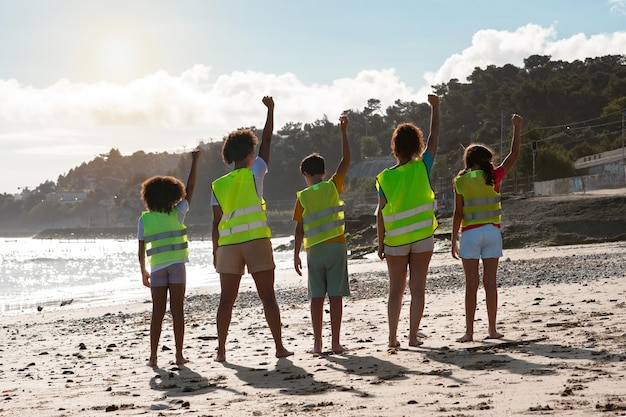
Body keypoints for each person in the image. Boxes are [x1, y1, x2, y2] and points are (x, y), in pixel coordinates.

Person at [211, 96, 293, 362]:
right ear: (249, 154)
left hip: (228, 246)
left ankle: (222, 350)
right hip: (256, 240)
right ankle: (279, 347)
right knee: (268, 297)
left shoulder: (218, 185)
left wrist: (215, 252)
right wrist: (270, 111)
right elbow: (267, 141)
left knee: (226, 301)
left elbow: (215, 222)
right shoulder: (255, 171)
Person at [451, 113, 523, 342]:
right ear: (486, 160)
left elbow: (457, 213)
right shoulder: (493, 176)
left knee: (471, 285)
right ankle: (492, 330)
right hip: (492, 232)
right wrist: (517, 128)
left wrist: (453, 239)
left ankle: (469, 332)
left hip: (470, 234)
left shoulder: (460, 181)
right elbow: (513, 155)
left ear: (468, 161)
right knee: (490, 283)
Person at [376, 95, 440, 348]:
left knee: (395, 290)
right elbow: (435, 137)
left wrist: (380, 243)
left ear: (394, 147)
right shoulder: (423, 166)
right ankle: (413, 337)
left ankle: (393, 338)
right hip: (423, 237)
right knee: (418, 289)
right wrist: (435, 108)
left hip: (396, 240)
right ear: (417, 145)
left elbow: (379, 213)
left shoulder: (385, 178)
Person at [293, 116, 351, 354]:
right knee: (336, 297)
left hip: (314, 250)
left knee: (316, 298)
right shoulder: (332, 185)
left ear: (305, 174)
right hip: (336, 246)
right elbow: (346, 159)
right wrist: (343, 131)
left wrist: (295, 253)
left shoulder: (302, 197)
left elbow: (299, 228)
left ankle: (317, 344)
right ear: (325, 172)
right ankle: (335, 343)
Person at [138, 149, 200, 367]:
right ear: (174, 195)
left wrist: (143, 271)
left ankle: (153, 357)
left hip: (157, 268)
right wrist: (195, 161)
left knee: (157, 313)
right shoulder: (178, 212)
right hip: (177, 267)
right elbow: (190, 188)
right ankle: (179, 355)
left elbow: (141, 247)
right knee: (177, 311)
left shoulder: (145, 219)